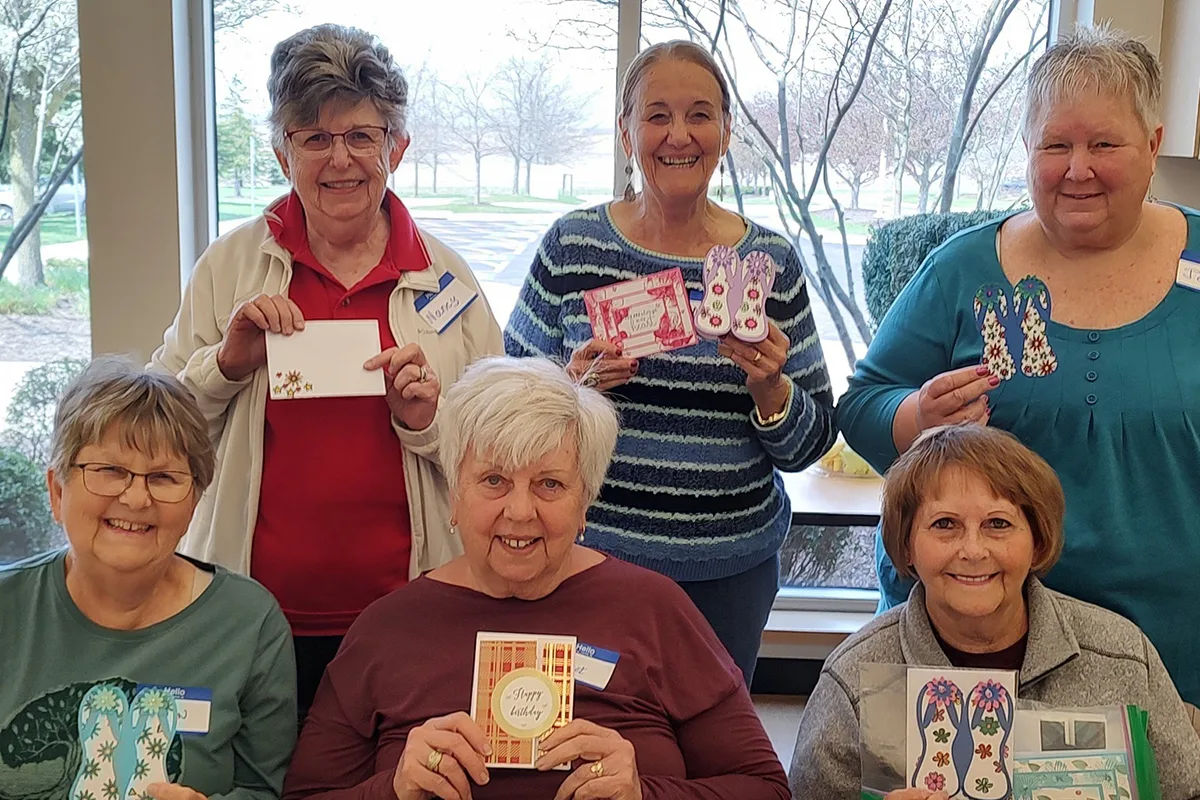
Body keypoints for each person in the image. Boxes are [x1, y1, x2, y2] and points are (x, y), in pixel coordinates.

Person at [837, 27, 1200, 703]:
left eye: (1104, 144)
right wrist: (921, 414)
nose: (1077, 168)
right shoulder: (962, 270)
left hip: (1173, 642)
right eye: (1055, 145)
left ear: (1152, 145)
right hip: (973, 632)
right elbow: (861, 406)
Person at [151, 24, 502, 715]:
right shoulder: (229, 268)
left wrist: (429, 422)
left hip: (411, 612)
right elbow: (155, 431)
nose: (340, 158)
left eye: (361, 135)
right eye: (314, 137)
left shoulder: (447, 278)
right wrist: (226, 364)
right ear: (283, 153)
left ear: (396, 147)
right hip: (250, 613)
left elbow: (497, 448)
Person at [282, 357, 791, 800]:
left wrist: (644, 791)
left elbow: (766, 788)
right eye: (494, 480)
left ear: (585, 501)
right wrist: (392, 789)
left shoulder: (654, 608)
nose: (520, 512)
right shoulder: (386, 629)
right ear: (455, 496)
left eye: (550, 484)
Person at [503, 40, 836, 686]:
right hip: (591, 560)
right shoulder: (573, 248)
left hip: (729, 570)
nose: (678, 135)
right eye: (656, 115)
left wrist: (770, 389)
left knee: (706, 746)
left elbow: (813, 440)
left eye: (699, 115)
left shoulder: (768, 263)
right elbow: (503, 413)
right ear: (625, 132)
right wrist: (570, 389)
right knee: (592, 738)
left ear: (726, 133)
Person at [789, 424, 1200, 800]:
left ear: (1037, 541)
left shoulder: (1122, 656)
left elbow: (1186, 789)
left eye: (998, 524)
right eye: (945, 524)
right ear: (907, 546)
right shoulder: (853, 680)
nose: (973, 550)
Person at [0, 359, 296, 799]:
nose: (136, 498)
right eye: (109, 471)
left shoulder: (249, 625)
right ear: (57, 492)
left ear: (194, 501)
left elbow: (268, 790)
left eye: (163, 477)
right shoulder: (8, 608)